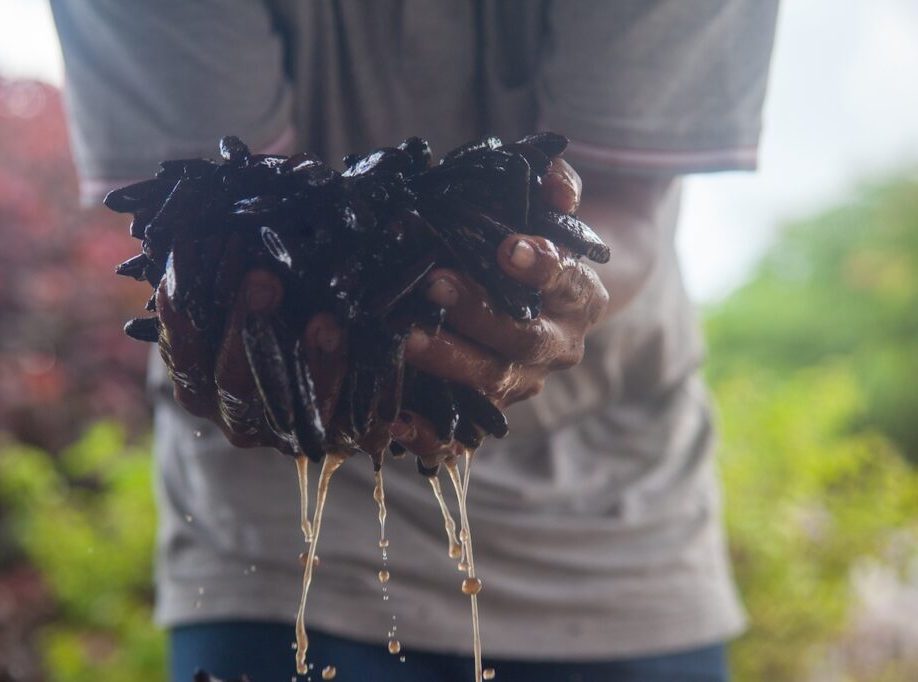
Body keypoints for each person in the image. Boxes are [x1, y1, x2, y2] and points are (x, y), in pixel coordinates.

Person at [50, 2, 779, 680]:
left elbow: (623, 206)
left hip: (609, 528)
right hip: (277, 547)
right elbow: (225, 201)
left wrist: (550, 291)